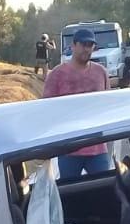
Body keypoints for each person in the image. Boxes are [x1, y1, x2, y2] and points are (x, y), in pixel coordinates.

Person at [43, 27, 111, 177]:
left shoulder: (101, 73)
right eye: (83, 44)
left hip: (97, 149)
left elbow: (108, 107)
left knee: (106, 193)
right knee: (69, 195)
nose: (87, 49)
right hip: (69, 149)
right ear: (73, 46)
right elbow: (46, 111)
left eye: (90, 45)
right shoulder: (57, 74)